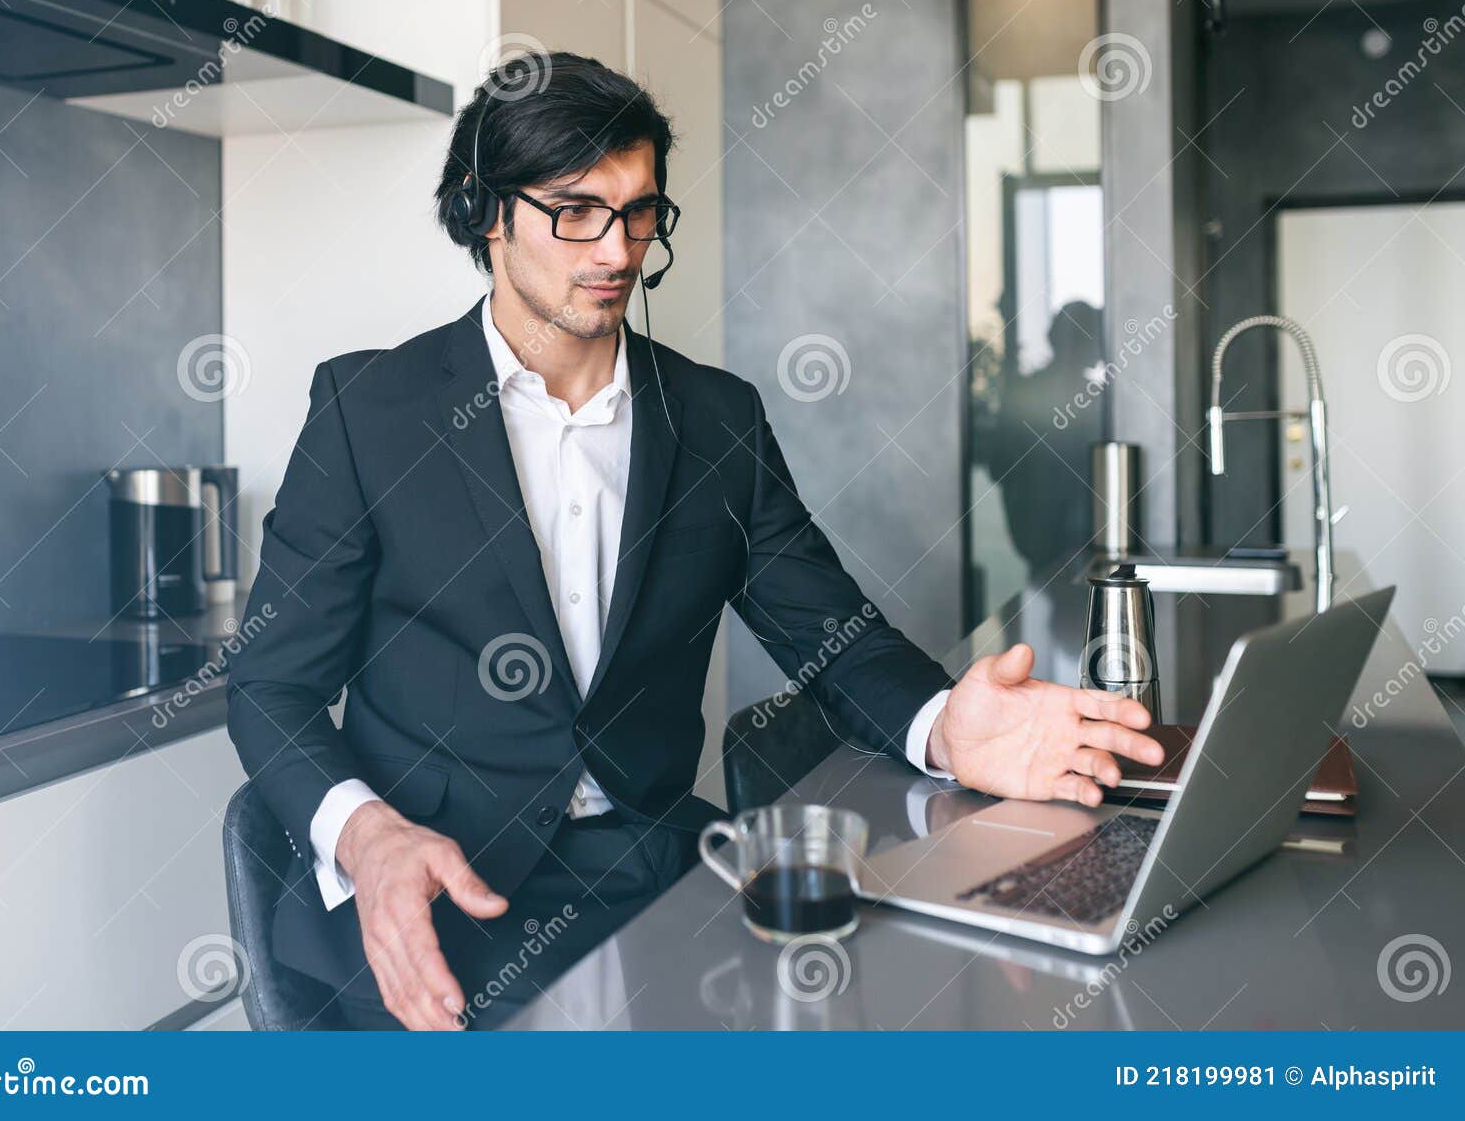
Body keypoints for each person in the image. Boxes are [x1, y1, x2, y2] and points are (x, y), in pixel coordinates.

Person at [225, 52, 1163, 1031]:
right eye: (575, 210)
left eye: (639, 212)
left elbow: (832, 634)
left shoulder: (714, 420)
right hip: (433, 889)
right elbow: (270, 682)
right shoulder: (368, 411)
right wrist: (366, 838)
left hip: (651, 876)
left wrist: (941, 725)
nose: (615, 251)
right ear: (489, 215)